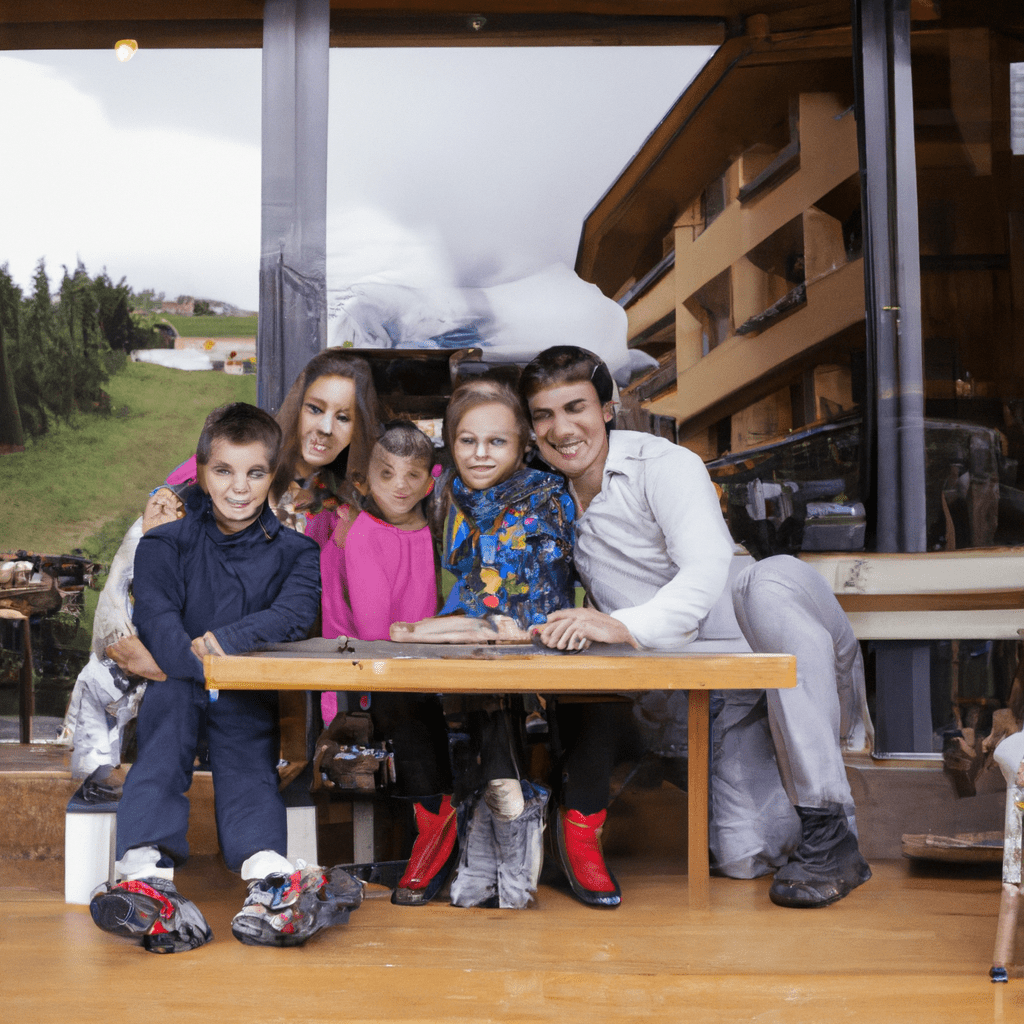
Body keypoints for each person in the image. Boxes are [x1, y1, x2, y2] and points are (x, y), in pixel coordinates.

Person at [521, 345, 872, 911]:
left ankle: (830, 827)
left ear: (608, 409)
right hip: (720, 695)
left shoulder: (663, 465)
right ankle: (781, 795)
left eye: (575, 407)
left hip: (781, 650)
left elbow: (706, 574)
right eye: (544, 415)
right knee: (743, 857)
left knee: (767, 581)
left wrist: (616, 624)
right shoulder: (543, 499)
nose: (561, 428)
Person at [89, 403, 362, 952]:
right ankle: (145, 874)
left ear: (273, 475)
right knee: (163, 741)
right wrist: (197, 667)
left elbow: (292, 613)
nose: (239, 488)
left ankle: (269, 878)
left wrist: (223, 647)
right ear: (201, 471)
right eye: (224, 472)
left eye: (255, 473)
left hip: (240, 684)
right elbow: (155, 614)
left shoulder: (297, 552)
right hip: (176, 678)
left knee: (248, 755)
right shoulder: (165, 538)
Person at [427, 377, 577, 908]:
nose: (481, 454)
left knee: (494, 700)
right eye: (467, 441)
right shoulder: (453, 497)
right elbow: (466, 584)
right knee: (460, 717)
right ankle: (497, 826)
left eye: (497, 442)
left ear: (521, 446)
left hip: (540, 647)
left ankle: (509, 826)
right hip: (475, 644)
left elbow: (547, 587)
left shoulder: (547, 496)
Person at [313, 419, 457, 908]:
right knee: (404, 693)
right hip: (363, 682)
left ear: (430, 480)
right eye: (388, 474)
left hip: (415, 671)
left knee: (462, 704)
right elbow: (377, 635)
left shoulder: (431, 531)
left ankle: (446, 821)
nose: (400, 486)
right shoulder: (364, 533)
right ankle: (436, 823)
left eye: (412, 476)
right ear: (365, 481)